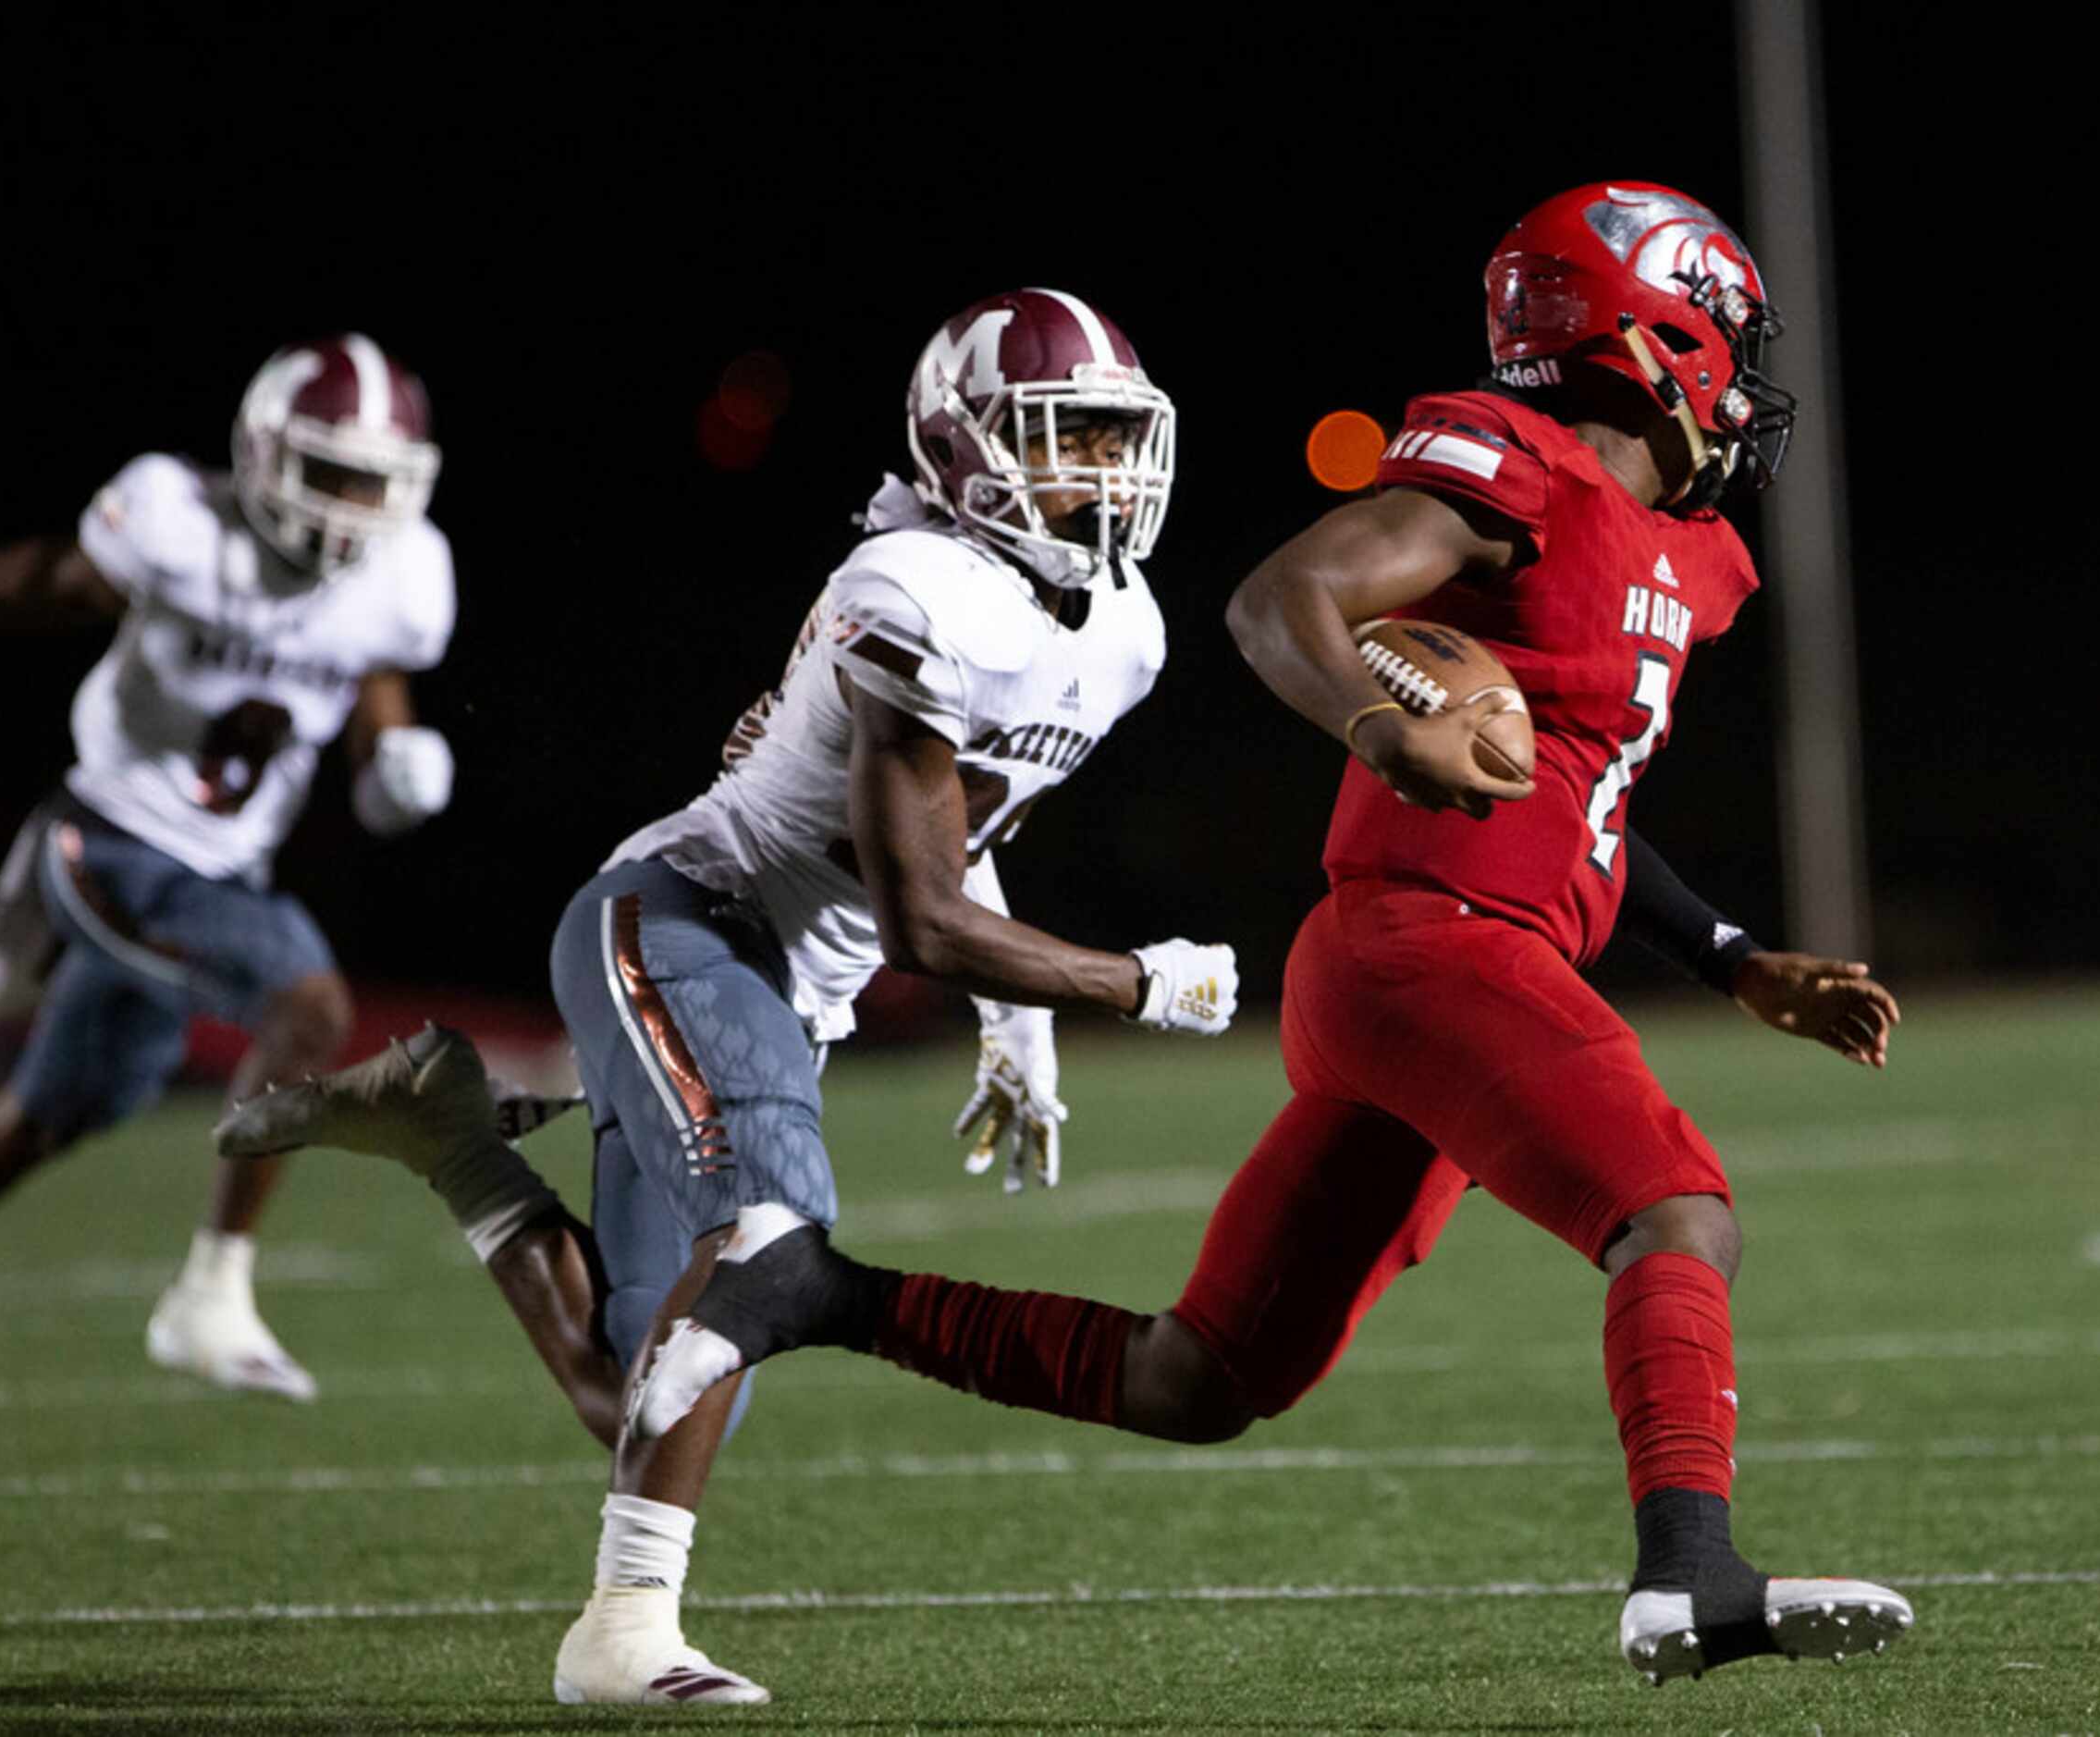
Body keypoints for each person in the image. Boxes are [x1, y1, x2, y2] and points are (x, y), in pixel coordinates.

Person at [622, 183, 1918, 1684]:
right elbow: (1281, 597)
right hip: (1426, 948)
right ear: (1656, 332)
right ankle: (1686, 1574)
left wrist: (1732, 957)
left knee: (1207, 1374)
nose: (1745, 383)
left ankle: (819, 1291)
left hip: (1435, 971)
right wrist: (1382, 722)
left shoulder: (1675, 557)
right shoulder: (1523, 470)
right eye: (1729, 340)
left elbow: (1586, 816)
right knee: (1678, 1209)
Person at [219, 288, 1239, 1707]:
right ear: (960, 447)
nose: (1100, 478)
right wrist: (1137, 983)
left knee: (660, 1375)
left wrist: (1025, 1029)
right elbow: (921, 919)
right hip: (684, 923)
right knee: (769, 1240)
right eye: (1060, 442)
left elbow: (965, 837)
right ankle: (621, 1633)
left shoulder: (1123, 629)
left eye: (1114, 442)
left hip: (780, 985)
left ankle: (455, 1140)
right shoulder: (918, 589)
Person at [0, 334, 458, 1433]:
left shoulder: (405, 579)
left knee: (49, 1118)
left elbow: (364, 669)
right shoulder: (180, 528)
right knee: (309, 1002)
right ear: (263, 451)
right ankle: (211, 1289)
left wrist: (388, 762)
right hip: (110, 843)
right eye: (327, 473)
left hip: (220, 871)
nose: (347, 510)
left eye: (373, 483)